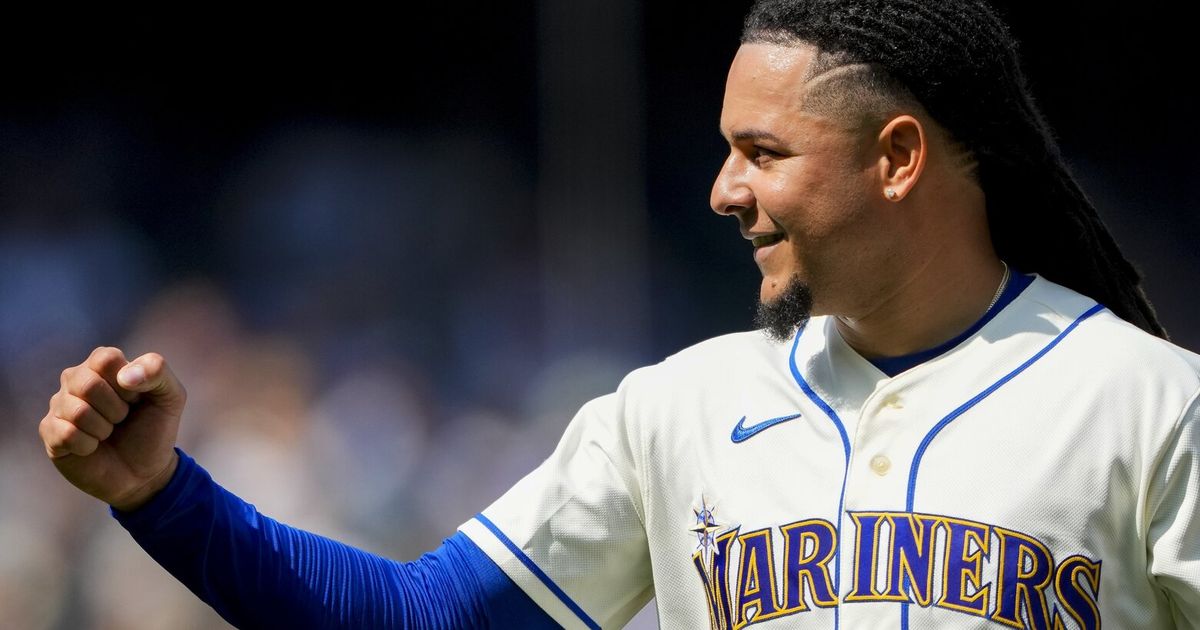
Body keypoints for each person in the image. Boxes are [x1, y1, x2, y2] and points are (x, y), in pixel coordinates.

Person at [38, 0, 1199, 628]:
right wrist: (163, 498)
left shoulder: (1155, 409)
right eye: (723, 151)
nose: (723, 190)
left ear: (897, 159)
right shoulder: (676, 410)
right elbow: (423, 623)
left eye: (763, 153)